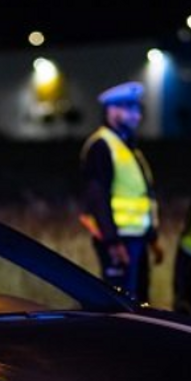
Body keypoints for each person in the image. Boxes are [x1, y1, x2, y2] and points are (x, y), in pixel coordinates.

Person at [79, 81, 162, 300]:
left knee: (139, 302)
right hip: (119, 240)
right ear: (112, 111)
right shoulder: (101, 145)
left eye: (138, 109)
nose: (137, 116)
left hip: (135, 238)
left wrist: (151, 237)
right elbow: (97, 196)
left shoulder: (126, 146)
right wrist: (112, 242)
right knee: (122, 304)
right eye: (130, 109)